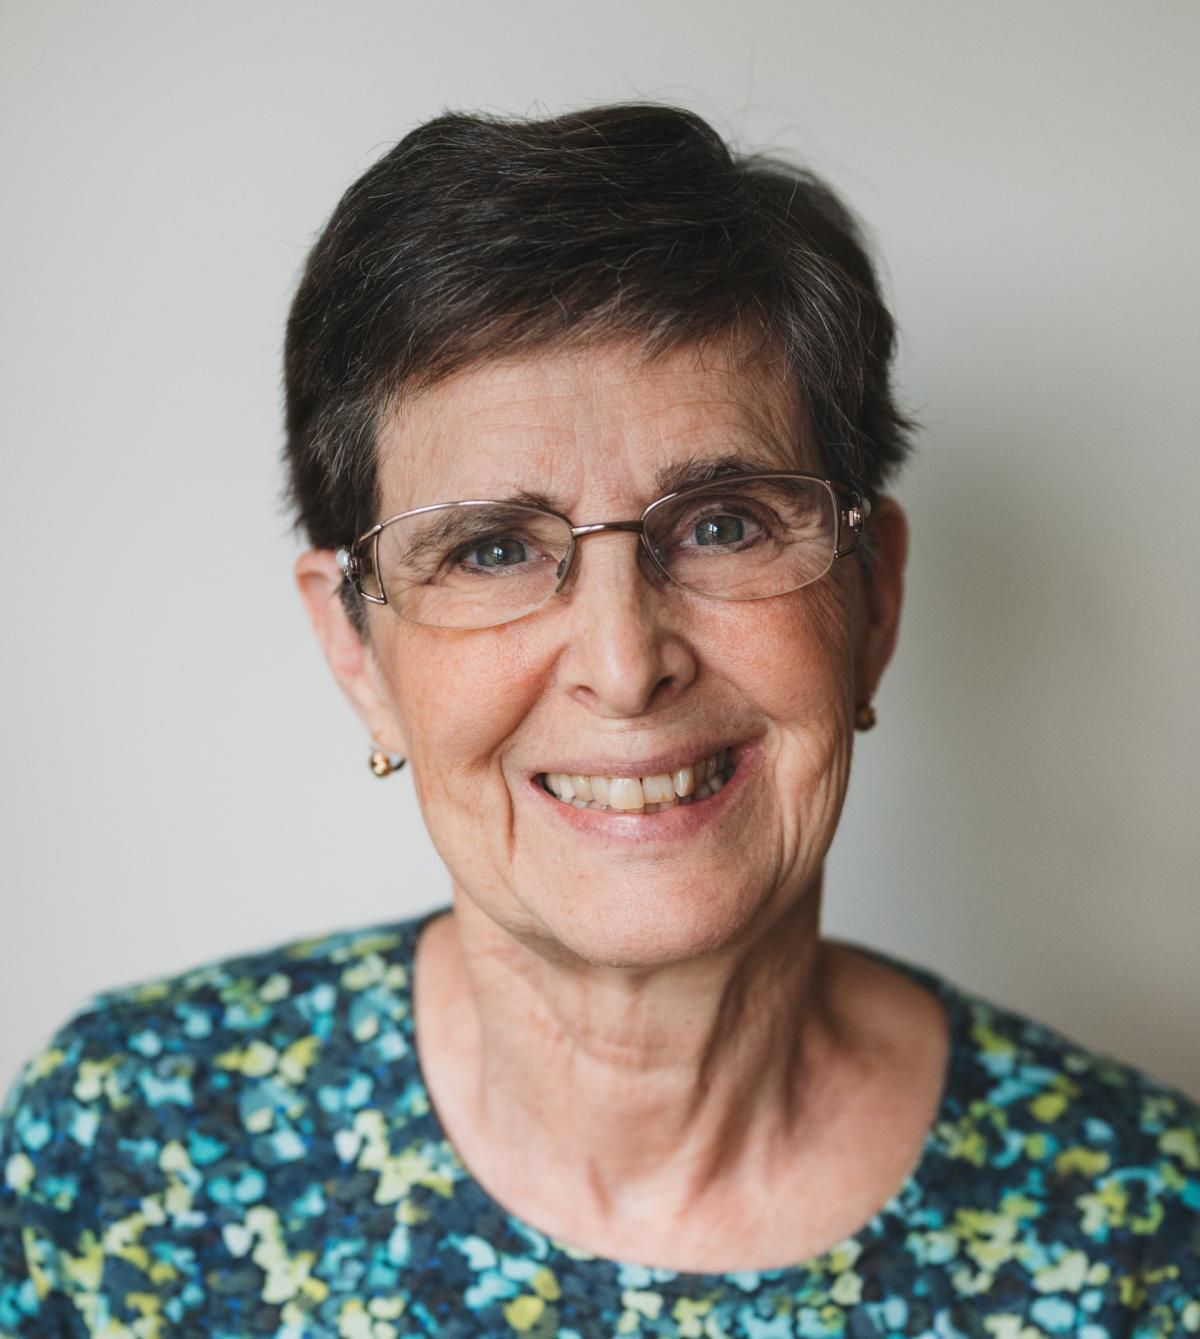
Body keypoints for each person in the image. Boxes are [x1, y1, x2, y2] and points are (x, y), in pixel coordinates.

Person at [1, 103, 1196, 1338]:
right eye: (493, 548)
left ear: (873, 599)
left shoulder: (1152, 1235)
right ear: (356, 648)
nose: (625, 666)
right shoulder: (132, 1142)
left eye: (723, 523)